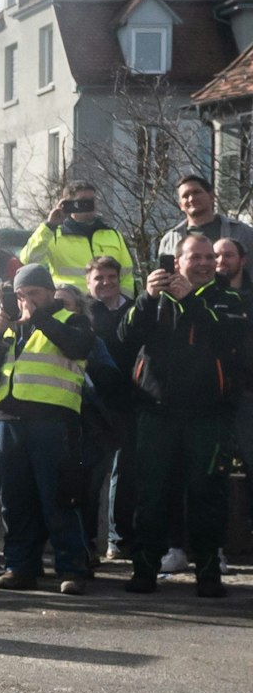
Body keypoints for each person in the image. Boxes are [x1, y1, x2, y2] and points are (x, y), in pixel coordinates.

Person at [119, 233, 246, 597]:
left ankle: (208, 573)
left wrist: (188, 300)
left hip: (209, 415)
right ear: (178, 262)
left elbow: (226, 339)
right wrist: (147, 298)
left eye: (210, 257)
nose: (206, 263)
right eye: (196, 257)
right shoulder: (153, 298)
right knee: (152, 494)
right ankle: (145, 568)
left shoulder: (228, 299)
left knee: (208, 493)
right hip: (156, 413)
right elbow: (125, 336)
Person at [0, 264, 97, 594]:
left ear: (50, 293)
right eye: (21, 295)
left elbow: (79, 348)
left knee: (58, 498)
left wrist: (40, 317)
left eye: (33, 293)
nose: (26, 301)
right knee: (14, 499)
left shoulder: (72, 320)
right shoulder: (9, 327)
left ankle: (71, 568)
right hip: (7, 421)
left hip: (52, 422)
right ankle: (20, 566)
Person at [83, 256, 138, 562]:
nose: (105, 283)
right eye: (98, 278)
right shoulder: (82, 314)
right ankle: (88, 540)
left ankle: (119, 540)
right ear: (88, 282)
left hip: (127, 400)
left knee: (125, 472)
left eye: (110, 276)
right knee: (92, 475)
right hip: (92, 404)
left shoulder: (134, 310)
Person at [21, 180, 138, 296]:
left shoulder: (113, 235)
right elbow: (29, 260)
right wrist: (49, 226)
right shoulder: (53, 235)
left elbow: (126, 275)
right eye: (82, 201)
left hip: (108, 307)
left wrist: (123, 304)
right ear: (68, 205)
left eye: (91, 200)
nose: (88, 205)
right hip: (71, 307)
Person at [156, 174, 253, 261]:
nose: (192, 199)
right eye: (185, 195)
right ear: (181, 205)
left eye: (196, 192)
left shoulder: (243, 232)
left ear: (211, 197)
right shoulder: (170, 240)